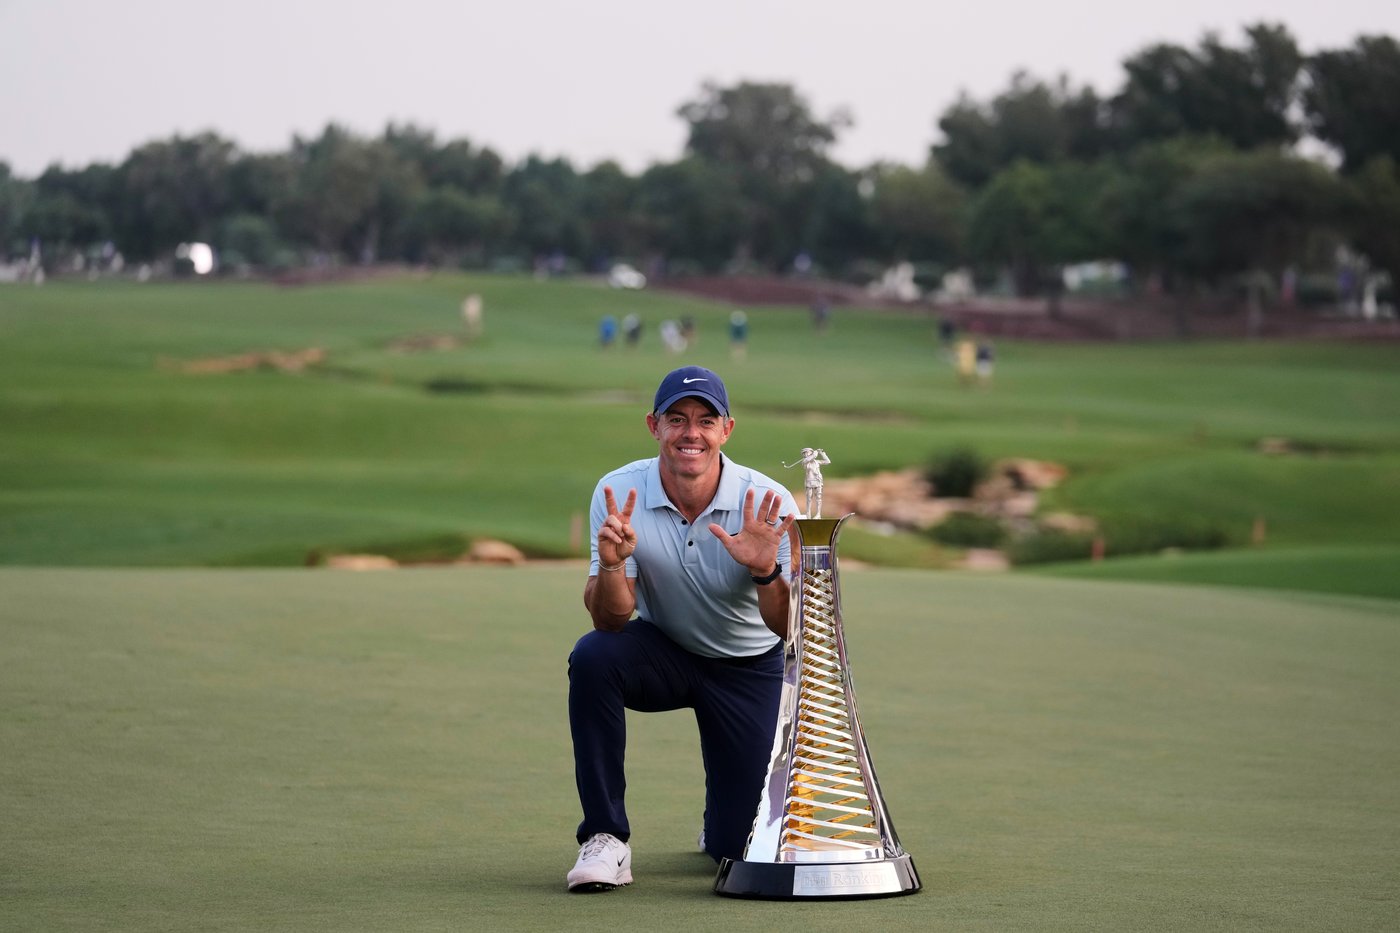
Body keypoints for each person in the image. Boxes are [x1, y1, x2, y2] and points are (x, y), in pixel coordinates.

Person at [566, 365, 800, 893]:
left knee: (734, 845)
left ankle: (721, 822)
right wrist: (611, 565)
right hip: (665, 649)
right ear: (654, 426)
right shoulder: (617, 491)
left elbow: (790, 629)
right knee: (594, 656)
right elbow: (610, 620)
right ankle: (606, 838)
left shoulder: (768, 503)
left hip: (747, 666)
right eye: (677, 419)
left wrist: (764, 570)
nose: (690, 433)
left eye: (705, 420)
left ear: (727, 430)